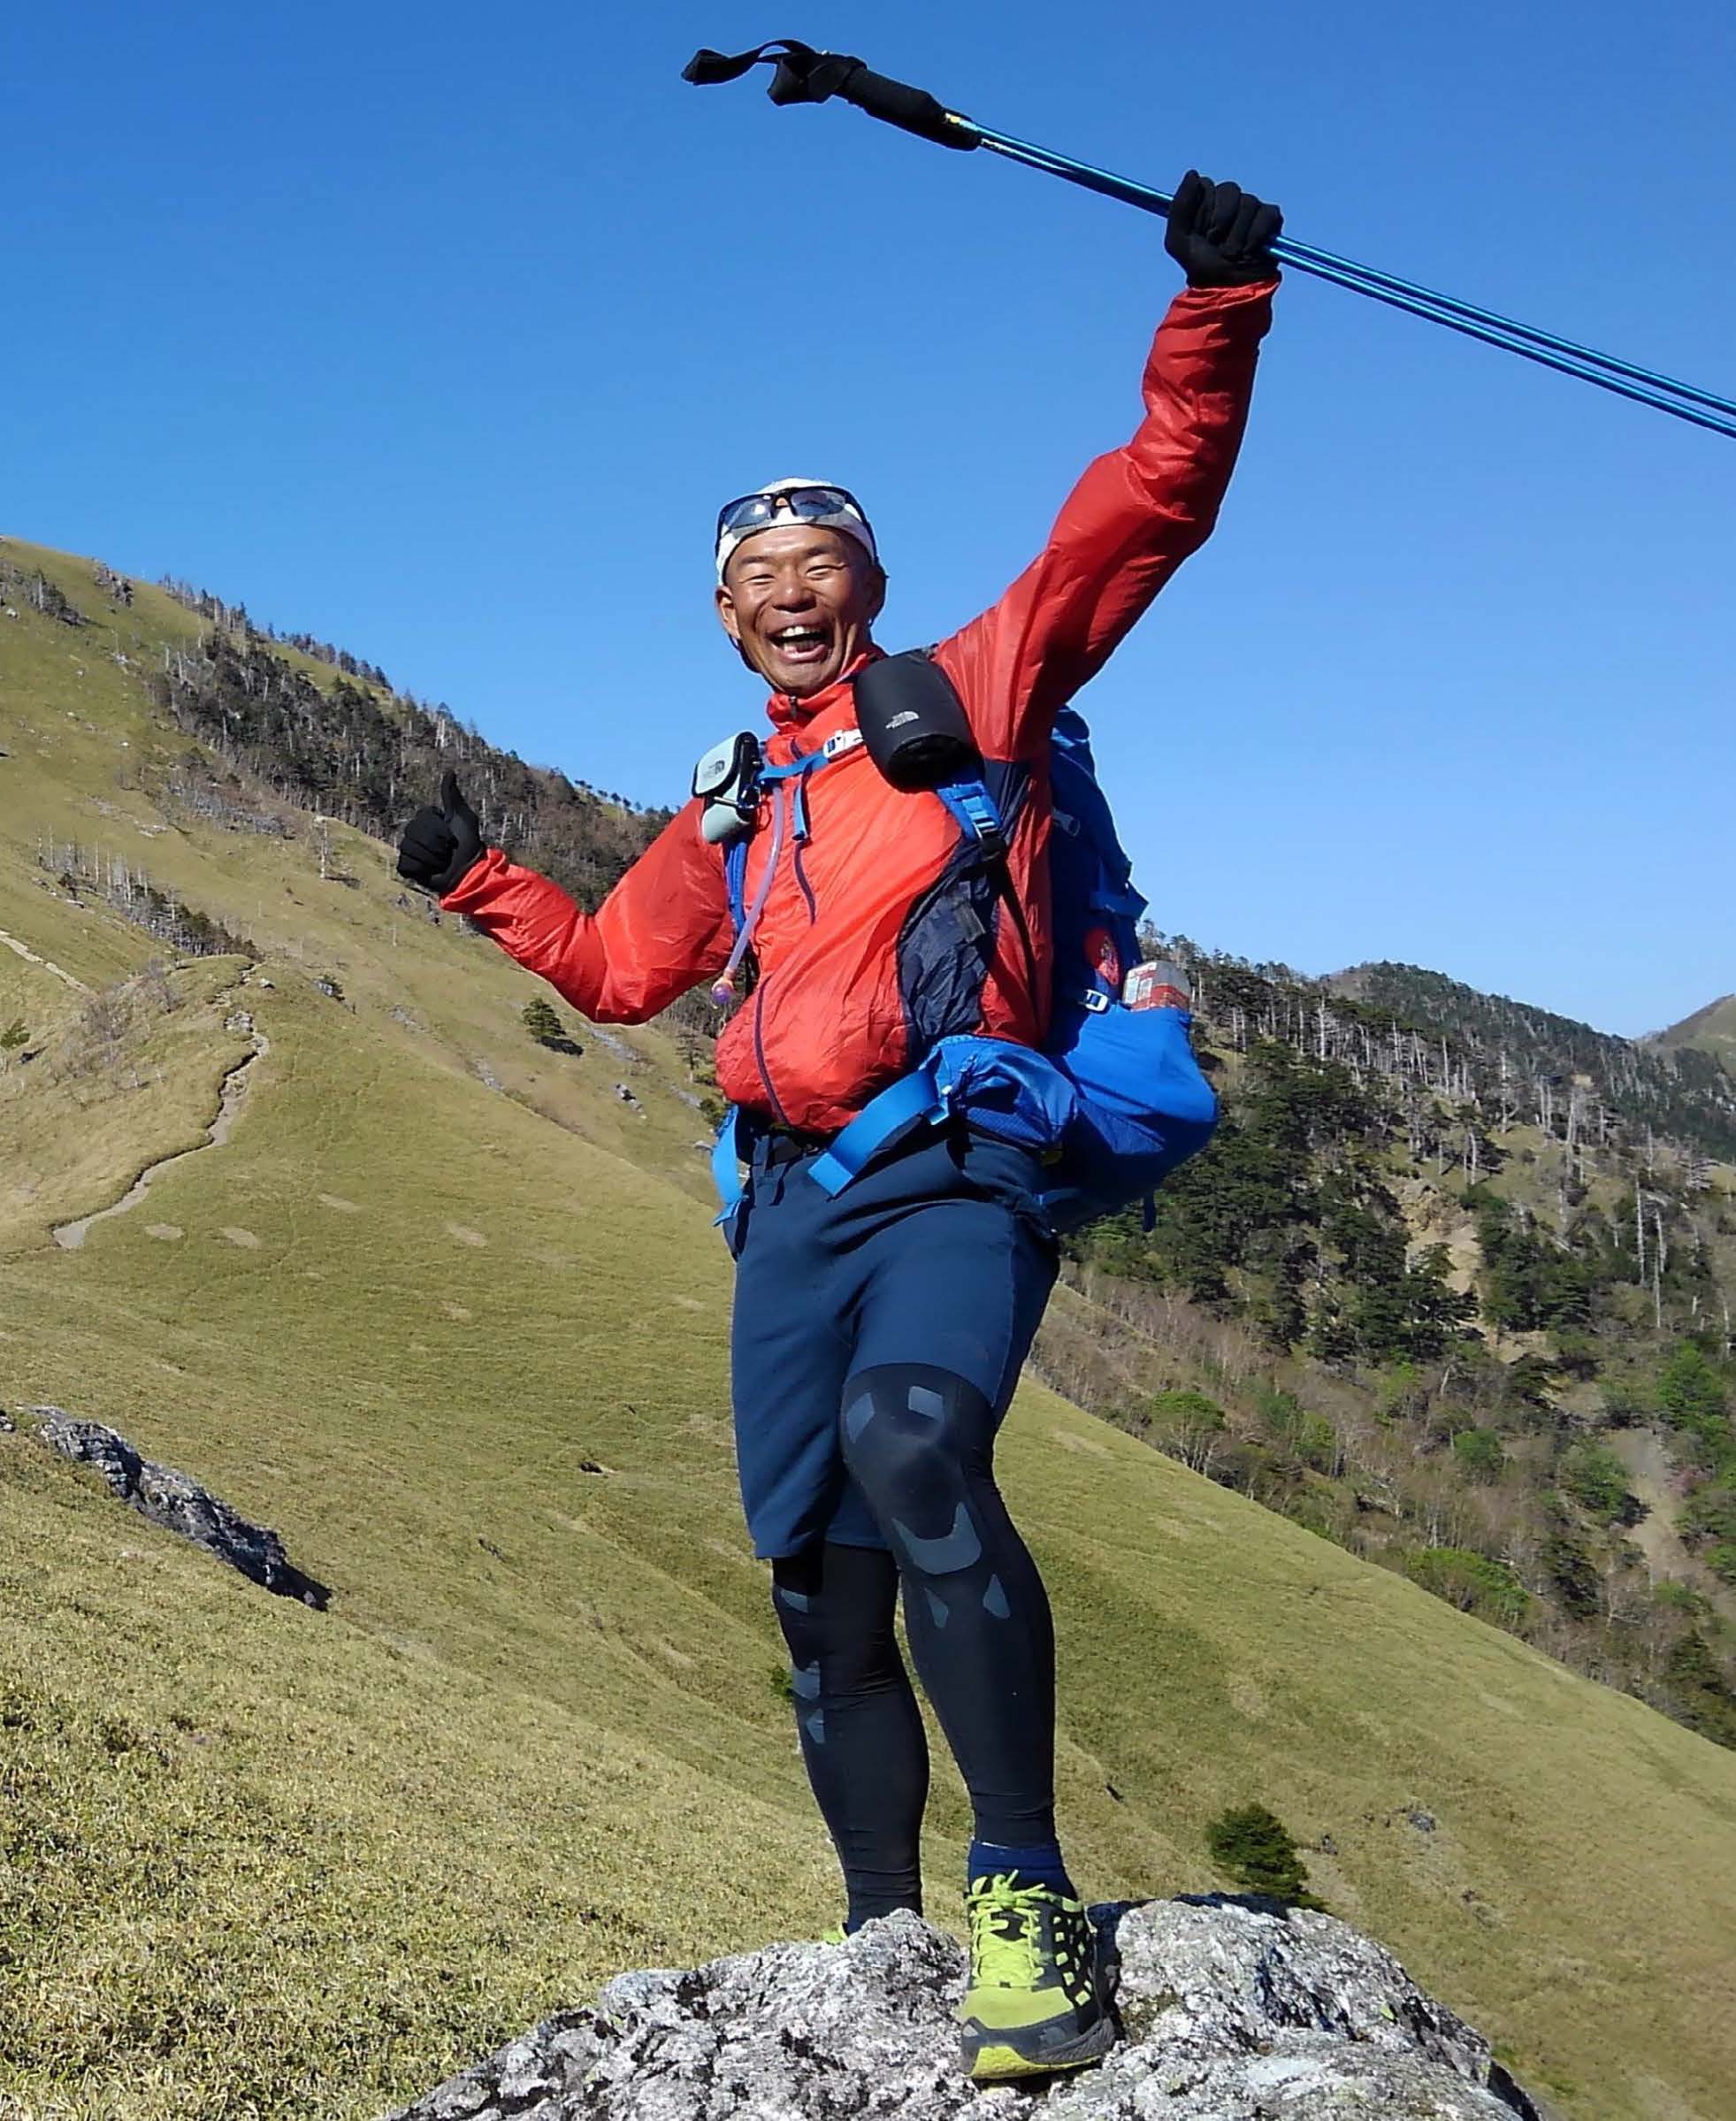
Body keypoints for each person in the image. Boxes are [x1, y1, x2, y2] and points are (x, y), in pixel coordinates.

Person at [396, 170, 1281, 2084]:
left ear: (865, 589)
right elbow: (627, 970)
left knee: (913, 1441)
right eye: (755, 580)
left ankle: (1021, 1884)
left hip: (955, 1155)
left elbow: (1145, 506)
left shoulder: (968, 691)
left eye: (820, 567)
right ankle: (883, 1926)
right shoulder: (738, 796)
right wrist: (471, 875)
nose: (790, 596)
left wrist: (1212, 310)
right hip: (789, 1203)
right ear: (723, 620)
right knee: (810, 1574)